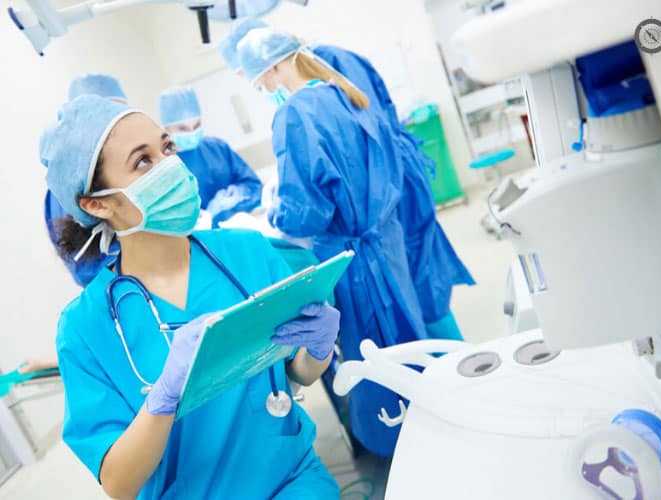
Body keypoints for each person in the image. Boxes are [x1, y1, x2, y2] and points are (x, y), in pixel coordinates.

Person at [43, 95, 340, 499]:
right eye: (143, 161)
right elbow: (118, 483)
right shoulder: (85, 327)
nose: (171, 166)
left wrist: (319, 348)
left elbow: (298, 373)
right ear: (98, 204)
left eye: (167, 147)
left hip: (293, 481)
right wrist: (163, 400)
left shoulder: (248, 252)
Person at [237, 28, 427, 457]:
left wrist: (273, 212)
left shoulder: (295, 115)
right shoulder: (347, 94)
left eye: (259, 81)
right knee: (409, 341)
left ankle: (403, 447)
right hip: (385, 243)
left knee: (375, 357)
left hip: (355, 262)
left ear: (273, 68)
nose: (264, 89)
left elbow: (307, 211)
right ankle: (432, 422)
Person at [312, 45, 475, 340]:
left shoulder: (326, 64)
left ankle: (454, 362)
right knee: (420, 282)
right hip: (395, 172)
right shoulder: (342, 62)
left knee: (422, 285)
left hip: (394, 183)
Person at [43, 73, 126, 287]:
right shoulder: (65, 189)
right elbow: (83, 266)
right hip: (121, 291)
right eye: (108, 115)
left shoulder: (127, 164)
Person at [158, 87, 263, 227]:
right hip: (200, 244)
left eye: (197, 125)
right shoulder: (163, 167)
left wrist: (240, 192)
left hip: (238, 231)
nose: (192, 132)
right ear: (166, 129)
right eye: (183, 129)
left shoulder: (217, 148)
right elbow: (169, 221)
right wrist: (206, 217)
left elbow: (254, 186)